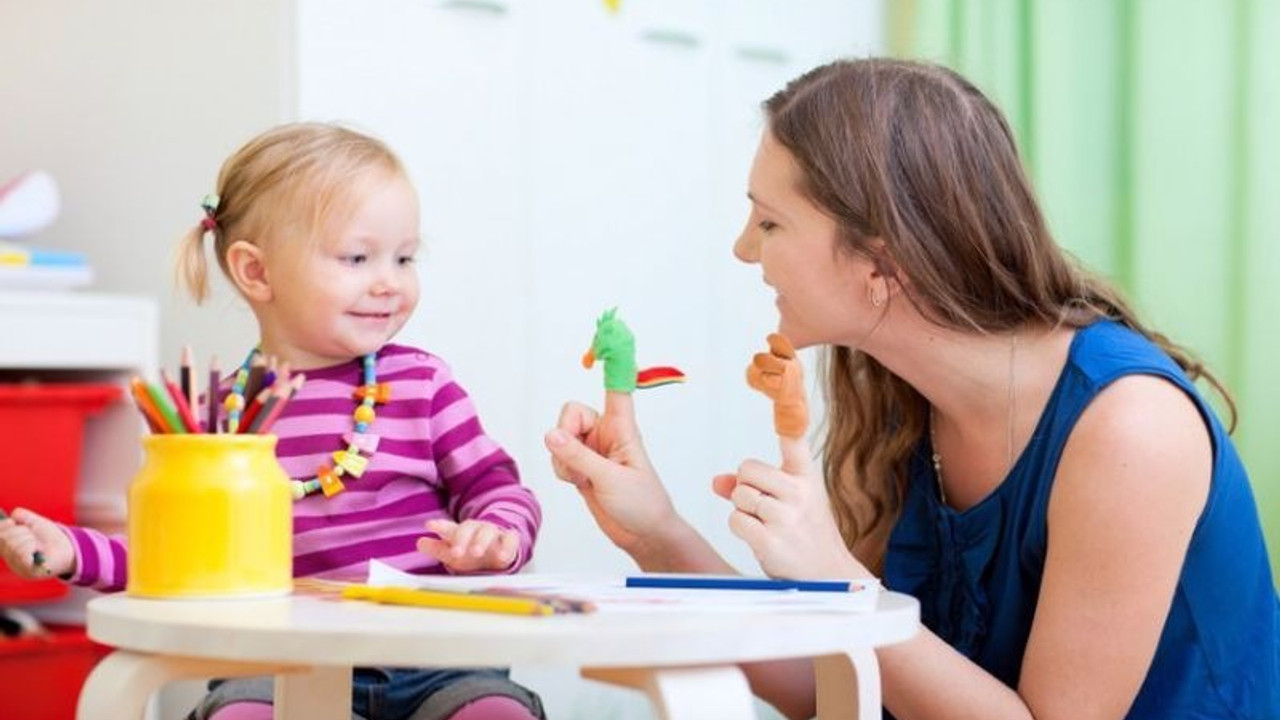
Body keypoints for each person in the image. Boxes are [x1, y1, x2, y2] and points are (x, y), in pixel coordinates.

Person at [544, 58, 1279, 719]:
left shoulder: (1131, 430)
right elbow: (831, 683)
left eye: (770, 222)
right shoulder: (898, 398)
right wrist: (655, 530)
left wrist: (834, 572)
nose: (743, 249)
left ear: (881, 261)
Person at [0, 122, 545, 720]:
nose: (390, 281)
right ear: (256, 272)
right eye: (358, 257)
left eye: (405, 257)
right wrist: (72, 551)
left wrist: (498, 538)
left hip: (439, 659)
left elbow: (498, 488)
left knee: (497, 714)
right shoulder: (213, 422)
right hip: (278, 669)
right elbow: (173, 558)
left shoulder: (423, 385)